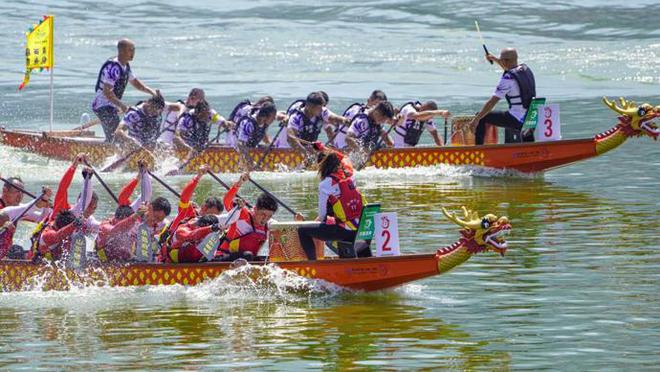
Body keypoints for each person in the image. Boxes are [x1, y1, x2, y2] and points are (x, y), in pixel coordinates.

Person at [297, 142, 368, 260]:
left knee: (303, 230)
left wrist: (315, 223)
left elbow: (322, 215)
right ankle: (349, 260)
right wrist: (322, 148)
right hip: (362, 227)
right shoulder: (350, 174)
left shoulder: (325, 185)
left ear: (321, 166)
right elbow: (344, 157)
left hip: (345, 231)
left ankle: (313, 264)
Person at [215, 173, 303, 261]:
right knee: (248, 255)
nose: (265, 219)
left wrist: (298, 224)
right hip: (224, 256)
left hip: (246, 260)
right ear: (255, 209)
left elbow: (284, 233)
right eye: (263, 214)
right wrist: (239, 183)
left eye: (269, 216)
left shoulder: (269, 223)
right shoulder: (243, 214)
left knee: (272, 254)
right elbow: (226, 201)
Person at [33, 155, 100, 262]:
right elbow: (62, 188)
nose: (91, 210)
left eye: (94, 208)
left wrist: (87, 179)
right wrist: (74, 165)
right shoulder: (51, 228)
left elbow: (86, 199)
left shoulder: (76, 214)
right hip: (40, 261)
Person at [92, 38, 157, 142]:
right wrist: (121, 105)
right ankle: (107, 153)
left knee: (117, 134)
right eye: (130, 50)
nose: (133, 53)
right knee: (116, 135)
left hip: (111, 105)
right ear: (121, 51)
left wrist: (152, 92)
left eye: (134, 50)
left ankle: (113, 148)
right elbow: (107, 92)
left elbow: (136, 83)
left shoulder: (125, 66)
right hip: (102, 105)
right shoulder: (114, 68)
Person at [468, 48, 537, 144]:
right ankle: (530, 147)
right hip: (530, 117)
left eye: (501, 59)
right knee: (492, 115)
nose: (500, 61)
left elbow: (492, 102)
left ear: (505, 61)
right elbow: (509, 68)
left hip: (515, 119)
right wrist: (494, 59)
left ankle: (479, 151)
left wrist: (476, 120)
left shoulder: (507, 79)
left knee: (482, 117)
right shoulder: (525, 70)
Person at [276, 92, 348, 153]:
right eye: (319, 108)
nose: (321, 110)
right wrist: (305, 153)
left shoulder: (322, 112)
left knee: (328, 153)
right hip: (287, 147)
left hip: (307, 147)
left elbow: (334, 118)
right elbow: (291, 138)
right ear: (309, 106)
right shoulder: (296, 117)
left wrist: (344, 120)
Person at [0, 186, 53, 260]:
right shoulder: (4, 212)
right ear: (5, 190)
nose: (20, 195)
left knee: (17, 251)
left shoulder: (12, 210)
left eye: (22, 191)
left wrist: (46, 207)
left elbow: (41, 220)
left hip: (4, 253)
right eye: (17, 191)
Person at [236, 102, 278, 169]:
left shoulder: (263, 121)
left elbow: (261, 134)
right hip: (235, 149)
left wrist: (269, 144)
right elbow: (240, 144)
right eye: (273, 117)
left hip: (248, 147)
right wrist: (250, 161)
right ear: (266, 117)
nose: (274, 119)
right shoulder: (249, 123)